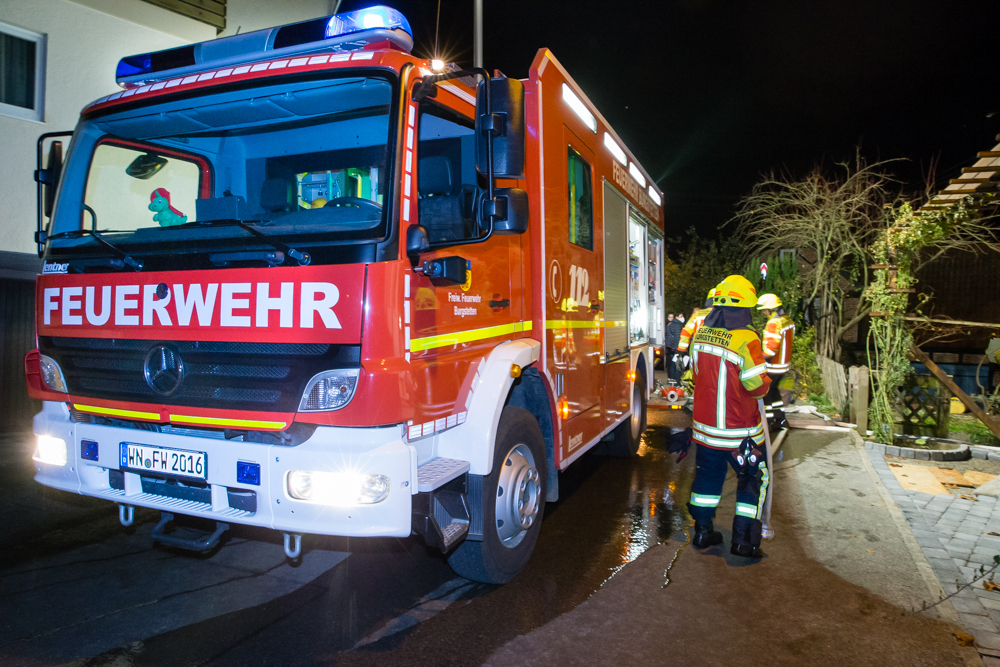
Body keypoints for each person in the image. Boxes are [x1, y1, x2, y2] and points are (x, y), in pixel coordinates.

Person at [688, 275, 771, 558]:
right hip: (741, 434)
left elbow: (695, 376)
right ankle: (743, 542)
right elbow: (756, 385)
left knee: (707, 480)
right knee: (752, 480)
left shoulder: (700, 334)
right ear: (746, 308)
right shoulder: (747, 339)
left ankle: (702, 532)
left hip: (705, 431)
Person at [757, 293, 795, 424]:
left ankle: (768, 421)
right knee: (774, 391)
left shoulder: (774, 322)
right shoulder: (787, 320)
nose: (763, 313)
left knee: (765, 392)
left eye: (764, 310)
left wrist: (761, 359)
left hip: (773, 365)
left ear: (770, 309)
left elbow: (771, 347)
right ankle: (780, 418)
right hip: (784, 365)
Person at [664, 312, 684, 381]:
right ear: (677, 317)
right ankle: (675, 379)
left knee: (671, 363)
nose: (682, 317)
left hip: (670, 346)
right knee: (676, 363)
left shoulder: (670, 325)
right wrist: (677, 348)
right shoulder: (677, 325)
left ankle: (671, 377)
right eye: (681, 316)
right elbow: (677, 337)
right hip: (675, 347)